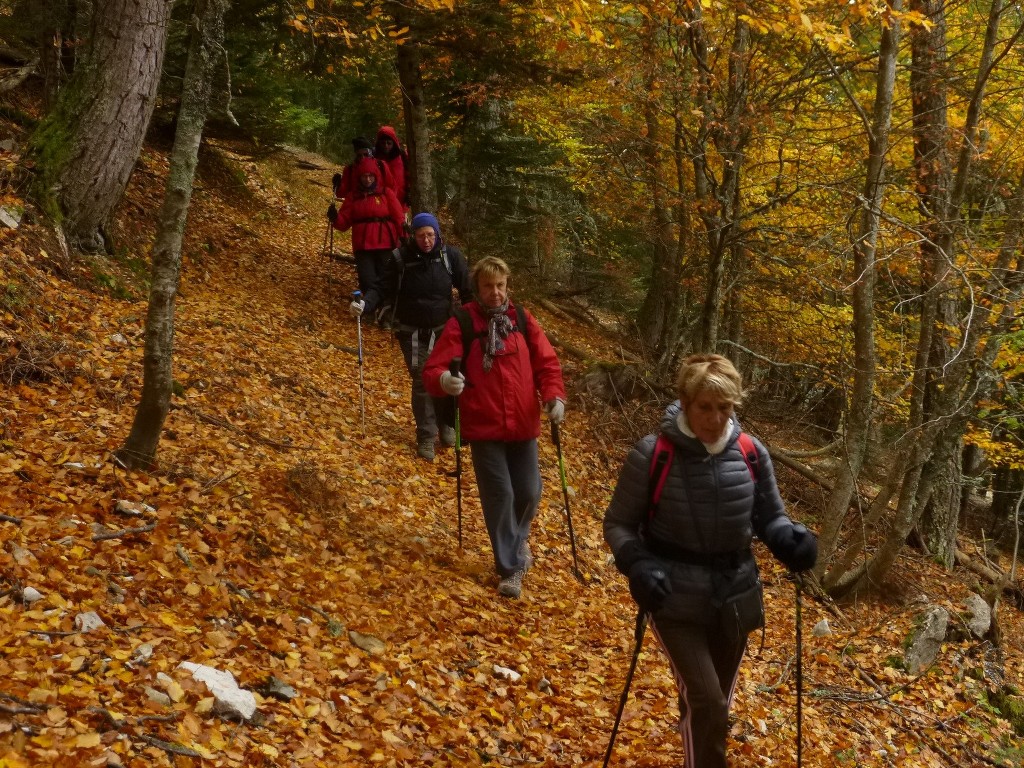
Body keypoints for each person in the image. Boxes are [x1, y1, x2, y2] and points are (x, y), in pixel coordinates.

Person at [603, 353, 818, 768]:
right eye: (705, 406)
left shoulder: (751, 453)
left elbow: (770, 517)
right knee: (708, 702)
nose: (715, 418)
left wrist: (792, 542)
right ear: (685, 402)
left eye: (725, 408)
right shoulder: (653, 454)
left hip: (733, 598)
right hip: (673, 598)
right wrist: (638, 564)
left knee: (713, 706)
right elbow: (618, 524)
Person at [423, 256, 566, 600]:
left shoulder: (521, 319)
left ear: (507, 285)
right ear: (478, 288)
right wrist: (445, 380)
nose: (495, 292)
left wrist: (554, 396)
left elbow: (547, 363)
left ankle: (516, 542)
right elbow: (434, 368)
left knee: (530, 491)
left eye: (500, 285)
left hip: (523, 424)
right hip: (484, 426)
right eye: (488, 286)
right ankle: (509, 569)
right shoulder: (462, 322)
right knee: (500, 496)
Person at [350, 212, 471, 460]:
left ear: (437, 234)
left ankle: (445, 423)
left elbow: (468, 290)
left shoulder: (451, 258)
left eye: (430, 235)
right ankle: (426, 436)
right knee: (423, 380)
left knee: (447, 378)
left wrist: (473, 320)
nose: (426, 240)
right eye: (420, 235)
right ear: (412, 236)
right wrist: (364, 304)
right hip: (411, 332)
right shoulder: (399, 259)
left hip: (444, 330)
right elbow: (381, 288)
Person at [327, 156, 405, 296]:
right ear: (359, 177)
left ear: (375, 176)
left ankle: (386, 310)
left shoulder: (386, 193)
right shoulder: (353, 197)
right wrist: (335, 218)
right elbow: (344, 223)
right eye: (364, 176)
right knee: (367, 280)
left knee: (386, 278)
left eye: (370, 176)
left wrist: (404, 237)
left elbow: (398, 217)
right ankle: (369, 308)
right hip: (362, 247)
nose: (367, 179)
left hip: (386, 244)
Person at [332, 137, 395, 202]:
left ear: (371, 153)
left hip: (379, 207)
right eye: (359, 155)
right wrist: (337, 185)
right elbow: (342, 193)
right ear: (356, 155)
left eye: (365, 154)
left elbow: (392, 188)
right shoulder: (350, 169)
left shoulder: (381, 165)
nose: (363, 158)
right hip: (357, 208)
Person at [374, 126, 409, 210]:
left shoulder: (402, 156)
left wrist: (409, 192)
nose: (386, 146)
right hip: (380, 201)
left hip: (400, 201)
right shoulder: (374, 158)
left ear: (394, 143)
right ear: (379, 143)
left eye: (389, 143)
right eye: (383, 143)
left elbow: (409, 174)